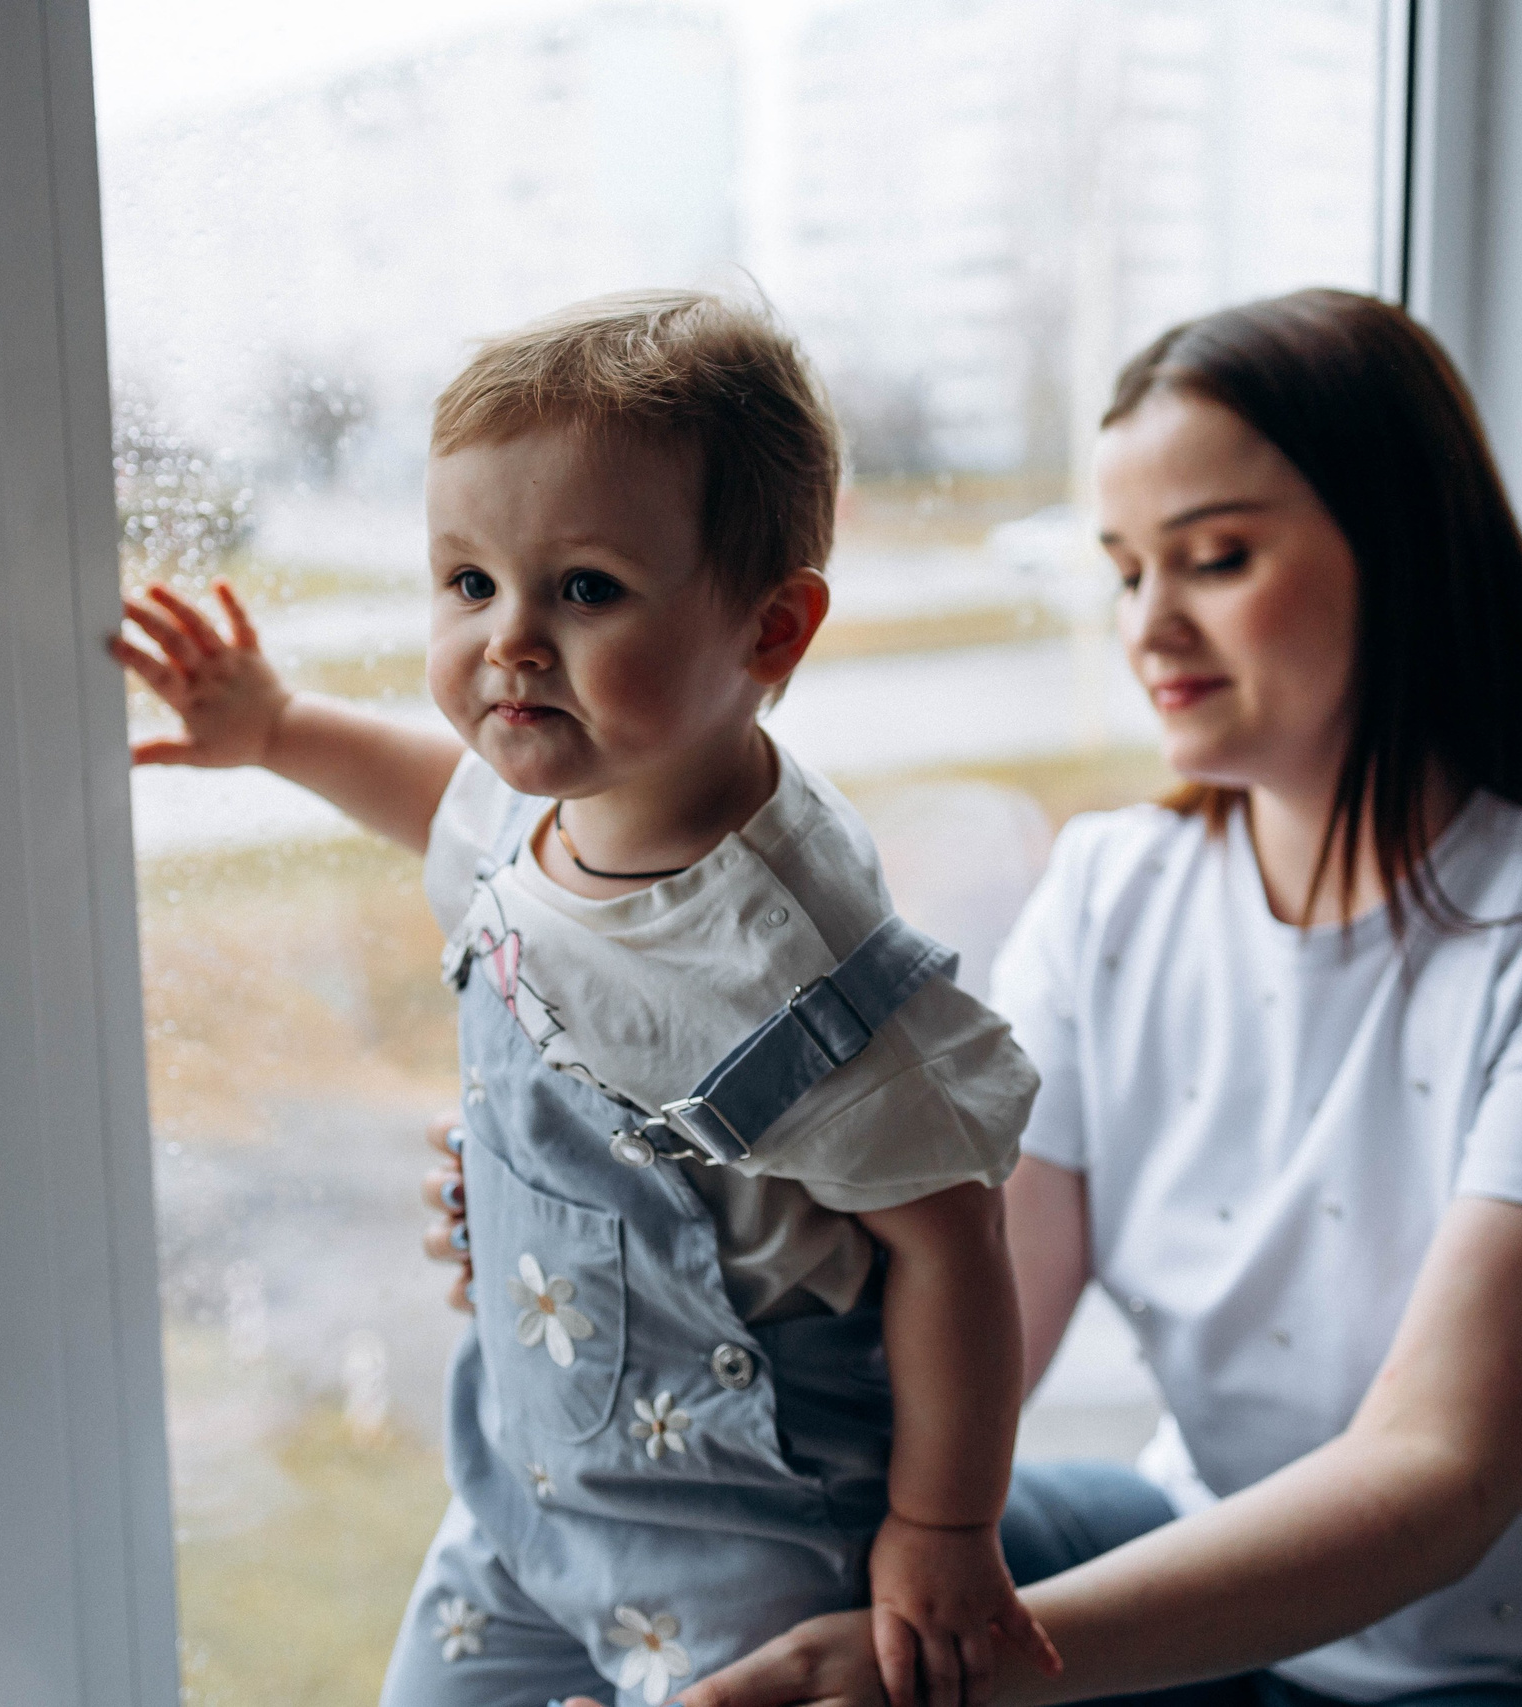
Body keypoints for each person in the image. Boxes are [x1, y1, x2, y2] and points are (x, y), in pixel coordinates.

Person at [429, 289, 1522, 1707]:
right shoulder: (1120, 888)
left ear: (1410, 551)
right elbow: (967, 1299)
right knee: (715, 1554)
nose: (1150, 623)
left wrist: (949, 1671)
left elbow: (1439, 1478)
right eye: (1121, 570)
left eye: (1215, 558)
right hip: (1219, 1556)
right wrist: (620, 1250)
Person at [110, 289, 1061, 1707]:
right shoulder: (532, 800)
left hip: (747, 1529)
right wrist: (278, 730)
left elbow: (953, 1242)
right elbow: (437, 793)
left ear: (771, 630)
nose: (510, 643)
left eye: (587, 590)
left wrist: (942, 1527)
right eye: (470, 583)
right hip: (527, 1486)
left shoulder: (788, 959)